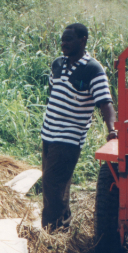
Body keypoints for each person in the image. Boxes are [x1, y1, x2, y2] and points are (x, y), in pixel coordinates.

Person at [40, 23, 117, 231]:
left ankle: (51, 233)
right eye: (62, 39)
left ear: (83, 40)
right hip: (48, 133)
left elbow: (105, 103)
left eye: (69, 40)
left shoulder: (92, 69)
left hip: (69, 137)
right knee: (55, 185)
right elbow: (55, 93)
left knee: (52, 184)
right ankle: (62, 226)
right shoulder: (58, 64)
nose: (64, 43)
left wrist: (112, 130)